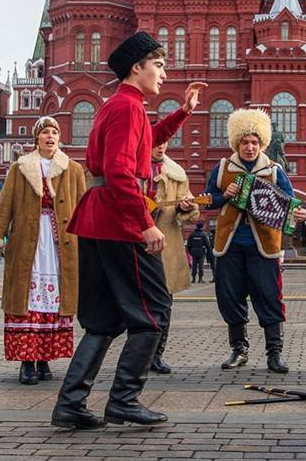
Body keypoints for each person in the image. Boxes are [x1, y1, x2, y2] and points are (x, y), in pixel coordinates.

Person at [50, 32, 206, 430]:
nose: (164, 74)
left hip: (98, 219)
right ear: (137, 66)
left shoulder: (118, 105)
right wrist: (145, 223)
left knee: (102, 321)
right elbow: (121, 171)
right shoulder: (128, 108)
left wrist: (183, 112)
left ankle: (70, 404)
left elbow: (144, 143)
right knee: (153, 312)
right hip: (120, 222)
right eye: (159, 65)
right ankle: (124, 400)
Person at [205, 108, 306, 374]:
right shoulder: (223, 168)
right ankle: (239, 349)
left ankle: (274, 353)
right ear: (236, 143)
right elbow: (207, 200)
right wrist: (223, 195)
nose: (250, 147)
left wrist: (299, 213)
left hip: (264, 246)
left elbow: (290, 203)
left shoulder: (274, 170)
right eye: (244, 142)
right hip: (229, 244)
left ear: (262, 143)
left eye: (254, 142)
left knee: (269, 297)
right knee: (230, 297)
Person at [0, 116, 86, 385]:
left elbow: (82, 208)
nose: (50, 136)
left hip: (60, 245)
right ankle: (27, 360)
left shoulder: (73, 169)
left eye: (54, 132)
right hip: (27, 242)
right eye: (45, 132)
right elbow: (4, 205)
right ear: (37, 138)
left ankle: (45, 358)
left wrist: (88, 242)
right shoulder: (21, 168)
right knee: (27, 298)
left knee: (55, 301)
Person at [147, 140, 200, 374]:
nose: (161, 147)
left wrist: (187, 208)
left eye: (165, 143)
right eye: (156, 142)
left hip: (164, 245)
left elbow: (189, 214)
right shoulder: (131, 168)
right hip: (133, 242)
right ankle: (137, 353)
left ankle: (156, 355)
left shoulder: (176, 173)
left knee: (163, 302)